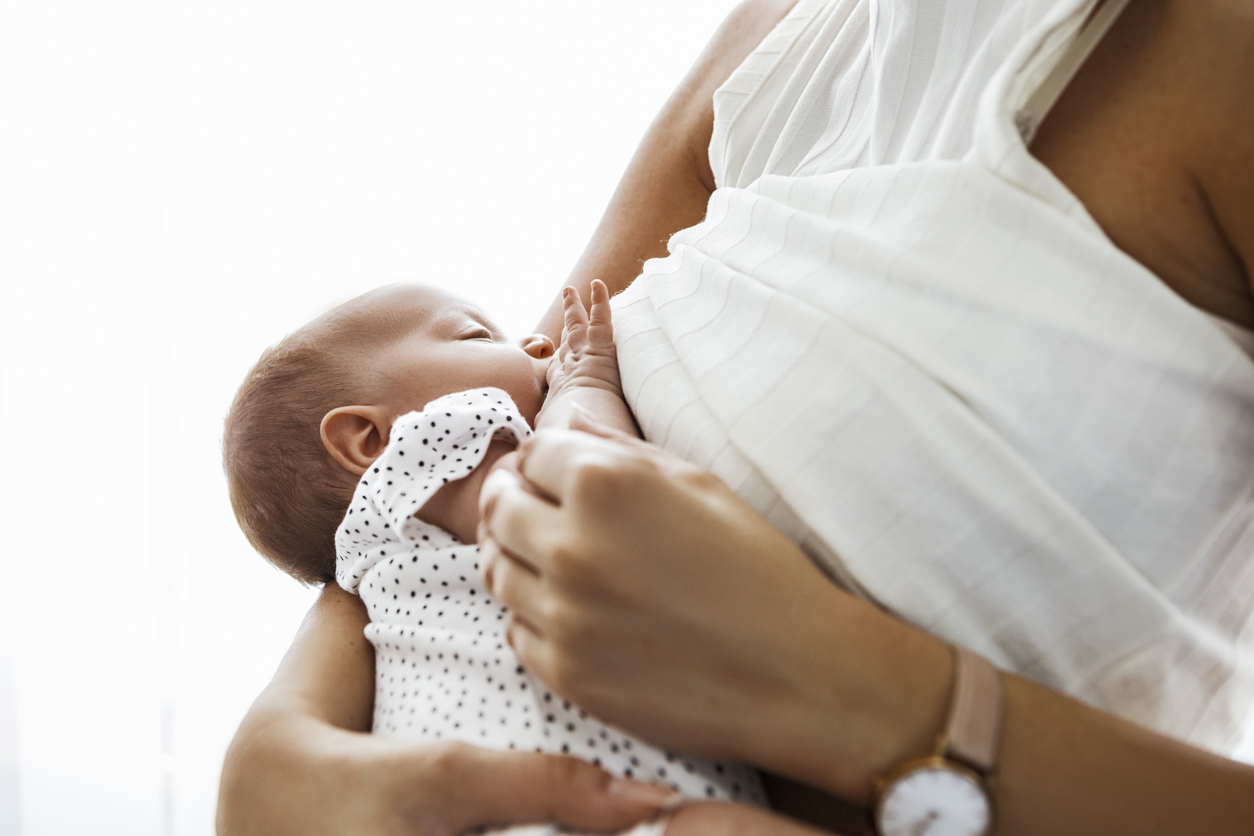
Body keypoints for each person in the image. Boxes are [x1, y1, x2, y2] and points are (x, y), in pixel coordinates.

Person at [216, 1, 1254, 834]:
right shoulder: (782, 32)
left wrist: (865, 691)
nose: (521, 337)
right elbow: (489, 442)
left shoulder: (1212, 53)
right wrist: (275, 750)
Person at [221, 280, 763, 833]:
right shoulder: (415, 457)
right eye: (476, 334)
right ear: (368, 439)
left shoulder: (385, 557)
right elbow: (579, 488)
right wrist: (586, 379)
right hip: (573, 793)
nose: (537, 342)